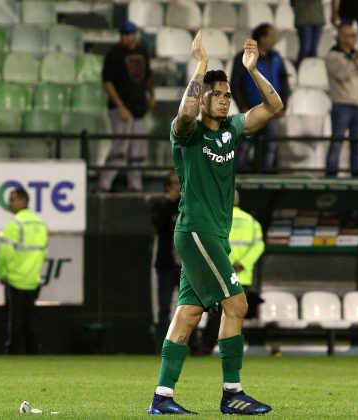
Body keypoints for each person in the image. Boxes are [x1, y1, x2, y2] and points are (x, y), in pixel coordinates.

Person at [148, 30, 283, 415]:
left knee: (189, 312)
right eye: (218, 95)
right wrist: (201, 65)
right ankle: (232, 393)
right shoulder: (187, 135)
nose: (225, 100)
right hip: (196, 230)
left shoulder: (232, 130)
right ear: (203, 97)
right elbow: (185, 114)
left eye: (227, 95)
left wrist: (252, 71)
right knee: (236, 305)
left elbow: (274, 106)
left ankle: (162, 397)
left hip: (213, 236)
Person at [199, 190, 265, 355]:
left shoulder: (215, 219)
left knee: (216, 315)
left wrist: (223, 264)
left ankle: (206, 348)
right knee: (236, 314)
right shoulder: (252, 222)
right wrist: (242, 263)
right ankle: (231, 350)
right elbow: (259, 246)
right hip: (241, 277)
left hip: (219, 274)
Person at [98, 21, 154, 192]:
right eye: (123, 34)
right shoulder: (115, 53)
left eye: (128, 34)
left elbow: (148, 76)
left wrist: (151, 95)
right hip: (121, 108)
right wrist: (120, 106)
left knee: (138, 150)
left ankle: (135, 186)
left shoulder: (142, 50)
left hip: (139, 108)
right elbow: (107, 82)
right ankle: (104, 184)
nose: (125, 37)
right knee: (120, 148)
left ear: (135, 35)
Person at [0, 188, 49, 355]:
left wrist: (0, 273)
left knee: (15, 318)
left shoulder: (15, 223)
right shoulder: (40, 223)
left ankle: (13, 351)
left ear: (22, 200)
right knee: (30, 317)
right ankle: (33, 350)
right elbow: (44, 252)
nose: (9, 203)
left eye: (12, 200)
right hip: (33, 279)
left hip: (15, 278)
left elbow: (5, 253)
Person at [230, 23, 289, 172]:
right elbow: (235, 84)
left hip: (272, 111)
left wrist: (283, 105)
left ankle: (265, 175)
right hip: (251, 111)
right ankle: (240, 176)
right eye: (272, 36)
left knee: (270, 145)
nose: (274, 40)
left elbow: (284, 82)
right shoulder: (243, 58)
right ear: (262, 38)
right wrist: (242, 106)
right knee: (245, 145)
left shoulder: (276, 57)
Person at [325, 23, 358, 176]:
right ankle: (331, 177)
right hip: (342, 105)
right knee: (337, 143)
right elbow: (342, 74)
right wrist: (355, 60)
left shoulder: (357, 56)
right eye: (350, 35)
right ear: (341, 38)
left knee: (357, 145)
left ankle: (357, 177)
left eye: (354, 35)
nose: (354, 39)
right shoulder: (333, 56)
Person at [150, 172, 182, 353]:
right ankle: (163, 345)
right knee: (163, 307)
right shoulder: (160, 204)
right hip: (166, 264)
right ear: (167, 186)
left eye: (179, 183)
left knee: (190, 307)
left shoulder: (187, 205)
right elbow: (157, 222)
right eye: (174, 184)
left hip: (186, 265)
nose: (177, 187)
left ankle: (190, 344)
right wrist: (170, 202)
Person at [291, 0, 326, 67]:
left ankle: (311, 70)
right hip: (303, 17)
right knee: (305, 49)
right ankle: (299, 69)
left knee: (313, 50)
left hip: (318, 17)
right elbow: (293, 3)